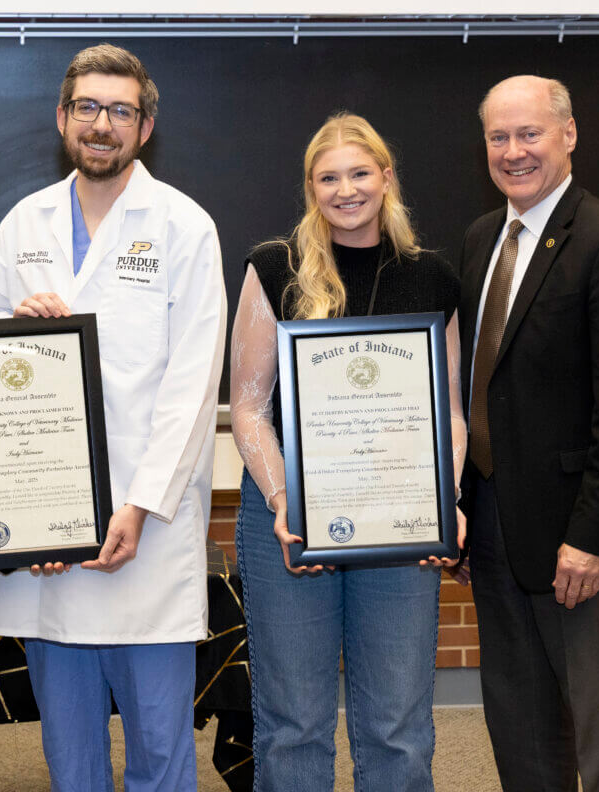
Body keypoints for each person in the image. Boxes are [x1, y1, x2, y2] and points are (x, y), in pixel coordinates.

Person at [0, 44, 226, 792]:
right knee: (71, 760)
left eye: (120, 111)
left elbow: (194, 384)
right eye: (87, 108)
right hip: (51, 539)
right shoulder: (24, 223)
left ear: (144, 128)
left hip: (145, 533)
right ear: (62, 118)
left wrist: (138, 506)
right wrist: (16, 321)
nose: (102, 124)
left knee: (161, 754)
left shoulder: (183, 227)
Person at [229, 112, 466, 792]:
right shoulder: (274, 266)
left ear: (386, 178)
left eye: (360, 173)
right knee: (293, 726)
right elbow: (248, 404)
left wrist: (442, 503)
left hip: (400, 520)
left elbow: (446, 413)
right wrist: (282, 500)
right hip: (289, 517)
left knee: (398, 728)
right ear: (311, 187)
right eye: (328, 177)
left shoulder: (433, 279)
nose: (346, 190)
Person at [458, 75, 599, 792]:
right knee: (519, 726)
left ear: (568, 135)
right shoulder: (484, 237)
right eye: (498, 136)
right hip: (492, 528)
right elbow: (479, 387)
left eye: (529, 133)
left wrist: (592, 536)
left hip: (579, 542)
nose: (513, 151)